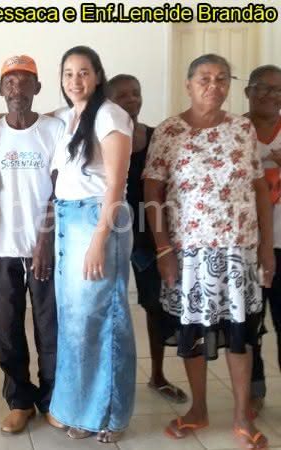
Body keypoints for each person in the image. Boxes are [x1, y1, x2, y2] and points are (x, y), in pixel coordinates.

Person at [143, 54, 273, 450]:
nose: (213, 86)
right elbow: (153, 191)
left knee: (241, 336)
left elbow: (259, 187)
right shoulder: (169, 131)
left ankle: (241, 415)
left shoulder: (242, 128)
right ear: (188, 84)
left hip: (239, 251)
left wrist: (266, 247)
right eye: (204, 78)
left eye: (221, 79)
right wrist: (163, 249)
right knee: (193, 333)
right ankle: (198, 409)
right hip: (189, 254)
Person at [47, 46, 135, 443]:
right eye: (68, 73)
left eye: (83, 72)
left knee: (104, 320)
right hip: (69, 220)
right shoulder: (69, 116)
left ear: (97, 76)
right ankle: (83, 410)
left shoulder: (110, 115)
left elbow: (115, 184)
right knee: (76, 323)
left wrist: (99, 240)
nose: (75, 80)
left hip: (98, 221)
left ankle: (111, 415)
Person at [0, 56, 62, 433]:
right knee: (6, 328)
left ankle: (52, 399)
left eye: (25, 81)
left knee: (50, 326)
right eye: (10, 82)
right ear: (0, 90)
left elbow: (60, 189)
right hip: (2, 249)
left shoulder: (54, 130)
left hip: (45, 248)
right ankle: (19, 401)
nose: (17, 89)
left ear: (38, 88)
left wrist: (43, 241)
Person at [107, 74, 188, 404]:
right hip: (110, 232)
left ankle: (157, 375)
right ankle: (108, 378)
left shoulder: (158, 137)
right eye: (122, 95)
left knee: (155, 304)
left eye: (136, 93)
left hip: (149, 234)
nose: (131, 100)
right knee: (108, 306)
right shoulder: (103, 136)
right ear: (108, 101)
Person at [245, 64, 281, 414]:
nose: (270, 95)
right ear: (248, 92)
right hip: (246, 245)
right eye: (262, 87)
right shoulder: (234, 131)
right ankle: (254, 392)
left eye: (277, 89)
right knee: (249, 324)